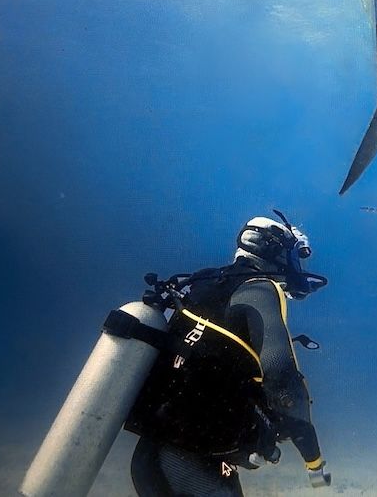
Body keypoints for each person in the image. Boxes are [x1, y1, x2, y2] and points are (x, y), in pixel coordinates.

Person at [125, 212, 332, 497]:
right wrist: (314, 461)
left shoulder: (203, 282)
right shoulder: (260, 289)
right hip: (189, 462)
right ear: (275, 251)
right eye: (294, 255)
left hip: (152, 451)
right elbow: (282, 378)